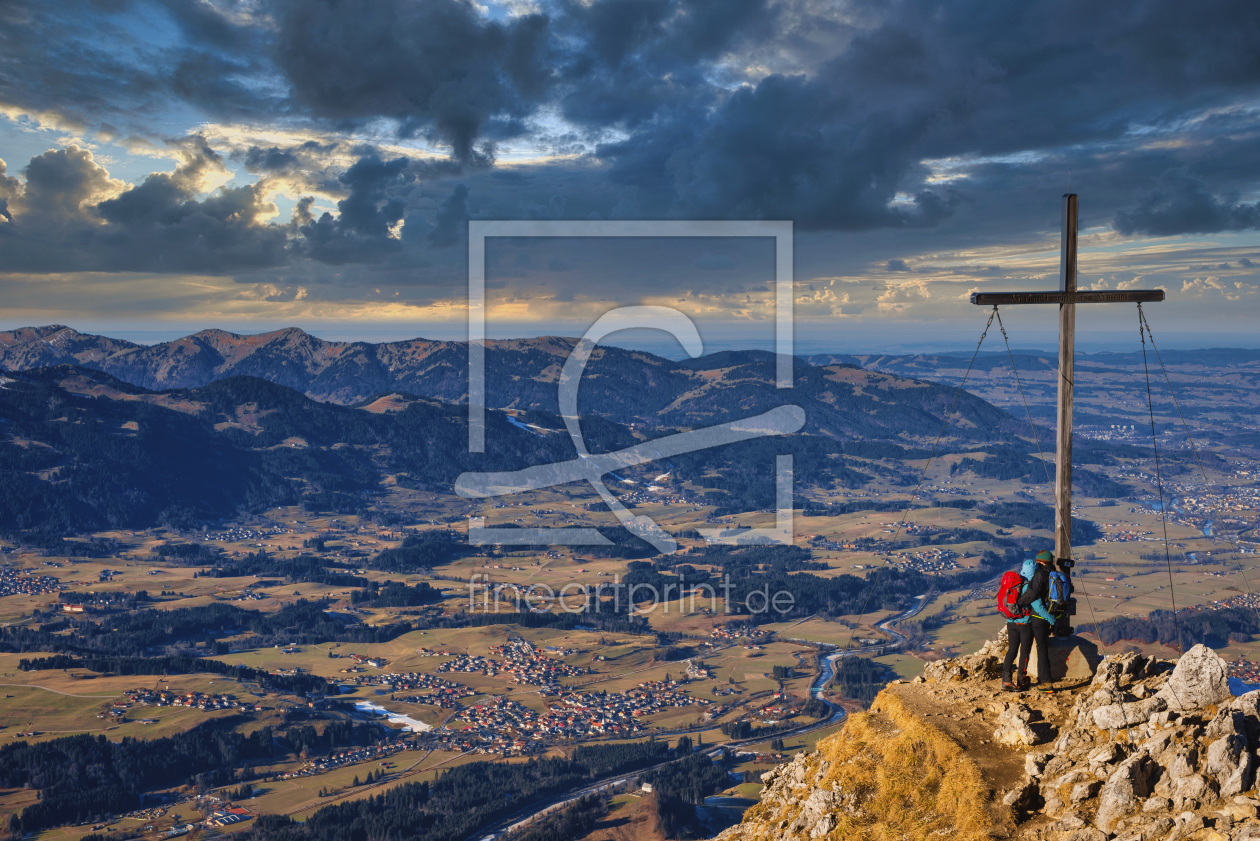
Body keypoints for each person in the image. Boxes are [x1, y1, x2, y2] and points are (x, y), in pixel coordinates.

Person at [1002, 550, 1057, 691]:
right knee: (1024, 652)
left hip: (1011, 622)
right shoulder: (1029, 586)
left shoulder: (1016, 582)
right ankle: (1021, 681)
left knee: (1012, 651)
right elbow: (1038, 607)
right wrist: (1052, 620)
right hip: (1025, 623)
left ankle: (1006, 680)